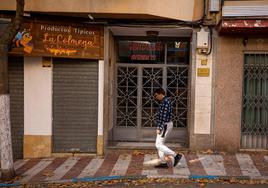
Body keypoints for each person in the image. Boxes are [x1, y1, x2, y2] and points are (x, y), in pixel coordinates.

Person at [153, 88, 182, 168]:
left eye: (155, 95)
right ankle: (163, 162)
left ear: (160, 94)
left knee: (158, 144)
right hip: (165, 124)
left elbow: (163, 117)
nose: (155, 97)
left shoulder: (165, 102)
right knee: (160, 144)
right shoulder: (165, 101)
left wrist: (159, 128)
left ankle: (175, 155)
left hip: (165, 125)